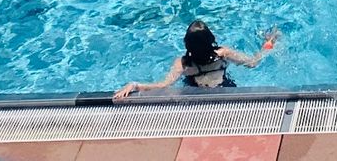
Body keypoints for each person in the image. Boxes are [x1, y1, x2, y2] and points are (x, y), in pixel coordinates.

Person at [113, 21, 278, 99]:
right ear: (210, 39)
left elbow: (163, 85)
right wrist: (269, 43)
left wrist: (134, 85)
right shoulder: (223, 54)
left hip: (197, 99)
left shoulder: (184, 64)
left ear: (187, 43)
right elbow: (253, 62)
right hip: (227, 93)